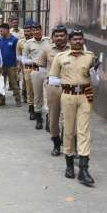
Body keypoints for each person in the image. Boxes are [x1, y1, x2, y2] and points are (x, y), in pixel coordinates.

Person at [49, 29, 97, 185]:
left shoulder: (90, 57)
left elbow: (97, 80)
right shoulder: (60, 57)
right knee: (69, 130)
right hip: (68, 95)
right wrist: (65, 85)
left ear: (83, 41)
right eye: (75, 39)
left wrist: (95, 72)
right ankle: (69, 165)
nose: (78, 41)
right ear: (69, 41)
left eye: (80, 39)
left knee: (84, 131)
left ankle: (84, 169)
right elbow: (53, 78)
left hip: (85, 95)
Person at [39, 25, 70, 156]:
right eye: (56, 36)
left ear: (67, 37)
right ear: (52, 37)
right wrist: (47, 81)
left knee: (68, 118)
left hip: (69, 88)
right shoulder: (47, 50)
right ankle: (56, 144)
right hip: (53, 88)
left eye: (62, 35)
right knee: (53, 118)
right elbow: (41, 67)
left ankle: (68, 144)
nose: (59, 38)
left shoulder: (73, 49)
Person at [23, 23, 51, 129]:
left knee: (48, 96)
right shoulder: (28, 43)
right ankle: (39, 119)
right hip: (36, 71)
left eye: (37, 29)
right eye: (33, 30)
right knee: (37, 96)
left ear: (41, 30)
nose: (35, 32)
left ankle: (49, 121)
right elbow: (23, 59)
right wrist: (33, 62)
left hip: (48, 71)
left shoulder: (48, 41)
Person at [0, 23, 21, 106]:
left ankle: (18, 100)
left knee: (14, 83)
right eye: (0, 30)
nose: (0, 32)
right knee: (2, 84)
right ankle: (2, 100)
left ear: (7, 30)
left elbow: (18, 53)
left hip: (12, 65)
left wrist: (18, 65)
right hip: (2, 66)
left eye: (2, 30)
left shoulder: (14, 40)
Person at [16, 21, 33, 104]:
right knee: (26, 79)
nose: (27, 33)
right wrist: (22, 62)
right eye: (25, 31)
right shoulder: (20, 42)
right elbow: (18, 55)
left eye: (29, 31)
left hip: (36, 64)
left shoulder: (35, 41)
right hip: (25, 64)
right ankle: (25, 94)